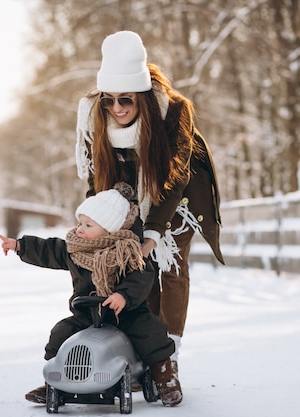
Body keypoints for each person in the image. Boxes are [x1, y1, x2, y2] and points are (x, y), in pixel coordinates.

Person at [75, 31, 224, 376]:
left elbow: (174, 182)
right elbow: (98, 178)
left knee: (169, 268)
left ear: (140, 95)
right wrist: (97, 221)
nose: (116, 108)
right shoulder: (95, 117)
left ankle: (166, 358)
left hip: (180, 197)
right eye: (108, 100)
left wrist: (152, 235)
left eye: (125, 99)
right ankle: (144, 350)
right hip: (131, 195)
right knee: (138, 269)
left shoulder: (174, 113)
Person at [0, 182, 182, 407]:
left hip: (126, 313)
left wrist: (123, 296)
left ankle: (164, 377)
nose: (79, 229)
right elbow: (49, 250)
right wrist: (19, 246)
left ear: (109, 229)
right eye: (79, 223)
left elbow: (142, 276)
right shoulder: (76, 250)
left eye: (88, 224)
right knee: (61, 332)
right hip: (87, 313)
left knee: (151, 333)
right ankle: (55, 382)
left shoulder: (127, 252)